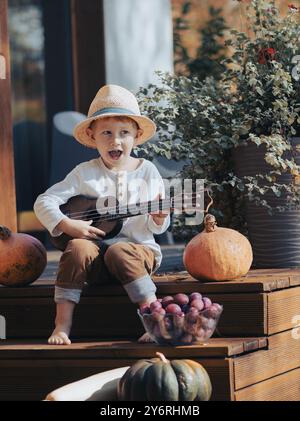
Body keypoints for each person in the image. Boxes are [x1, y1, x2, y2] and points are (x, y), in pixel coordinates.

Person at [34, 85, 170, 345]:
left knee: (120, 251)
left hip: (139, 254)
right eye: (106, 132)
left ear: (136, 136)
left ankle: (155, 319)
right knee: (77, 247)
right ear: (92, 136)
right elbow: (44, 201)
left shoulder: (147, 171)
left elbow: (157, 228)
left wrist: (160, 217)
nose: (115, 140)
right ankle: (62, 325)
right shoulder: (84, 172)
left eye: (124, 133)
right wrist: (66, 223)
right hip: (95, 264)